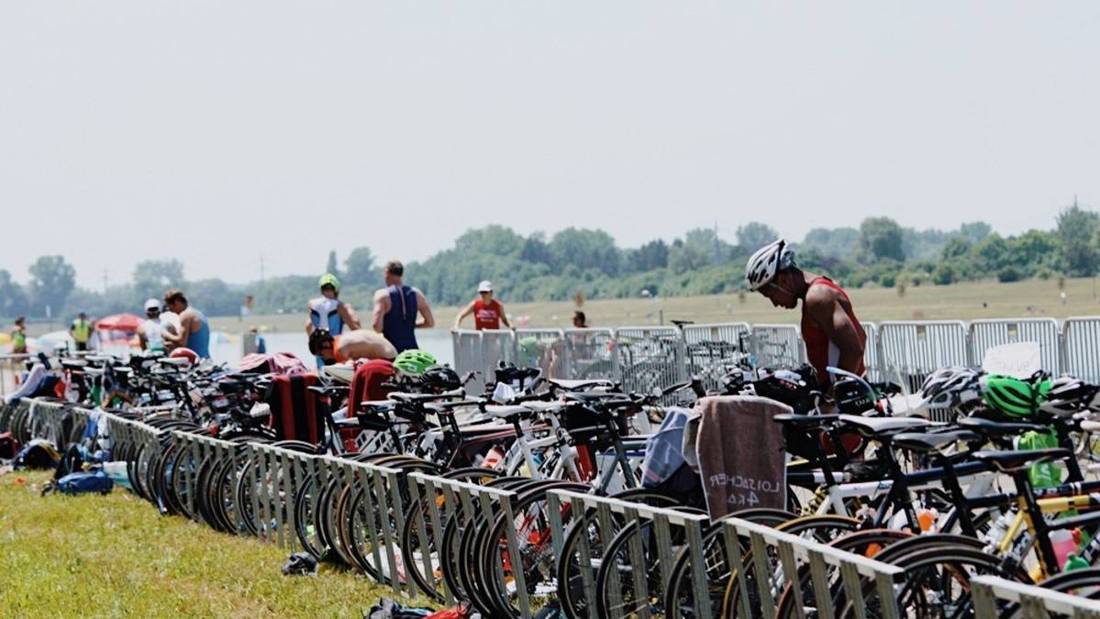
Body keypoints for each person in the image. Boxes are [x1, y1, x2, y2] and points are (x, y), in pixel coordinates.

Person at [745, 239, 866, 388]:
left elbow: (853, 350)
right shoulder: (815, 294)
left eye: (771, 296)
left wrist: (832, 397)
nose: (775, 304)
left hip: (843, 402)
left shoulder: (818, 296)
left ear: (783, 281)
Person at [372, 260, 434, 354]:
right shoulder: (417, 294)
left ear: (387, 273)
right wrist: (410, 324)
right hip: (413, 352)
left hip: (391, 352)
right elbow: (430, 323)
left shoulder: (382, 295)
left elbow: (377, 327)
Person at [305, 273, 360, 368]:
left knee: (322, 374)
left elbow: (308, 325)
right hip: (335, 347)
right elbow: (354, 328)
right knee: (336, 373)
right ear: (336, 290)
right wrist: (351, 311)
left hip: (319, 349)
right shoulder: (339, 305)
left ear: (321, 289)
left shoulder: (312, 304)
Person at [161, 289, 211, 359]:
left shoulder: (185, 315)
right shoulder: (198, 313)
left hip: (195, 362)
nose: (172, 312)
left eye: (171, 308)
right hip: (206, 359)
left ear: (176, 302)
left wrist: (165, 333)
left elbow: (181, 342)